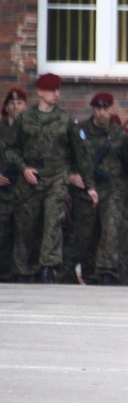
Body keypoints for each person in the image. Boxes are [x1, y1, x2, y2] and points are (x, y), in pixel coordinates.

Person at [8, 74, 98, 283]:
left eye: (58, 90)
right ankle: (23, 270)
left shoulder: (66, 120)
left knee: (53, 221)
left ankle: (48, 268)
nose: (56, 94)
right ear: (40, 92)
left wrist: (90, 185)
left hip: (57, 178)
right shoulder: (25, 119)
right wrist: (23, 169)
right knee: (26, 224)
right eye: (51, 90)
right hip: (31, 179)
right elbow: (11, 149)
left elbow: (81, 155)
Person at [67, 92, 128, 285]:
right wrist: (70, 175)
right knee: (86, 235)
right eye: (98, 108)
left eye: (106, 109)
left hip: (112, 190)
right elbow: (65, 158)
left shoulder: (119, 135)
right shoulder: (79, 131)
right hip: (84, 191)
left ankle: (107, 272)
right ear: (93, 109)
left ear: (112, 109)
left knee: (110, 228)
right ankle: (90, 274)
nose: (102, 113)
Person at [0, 88, 27, 282]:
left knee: (23, 230)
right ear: (6, 107)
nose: (15, 106)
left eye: (19, 103)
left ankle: (20, 272)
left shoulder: (29, 129)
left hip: (23, 187)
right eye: (12, 103)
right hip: (3, 188)